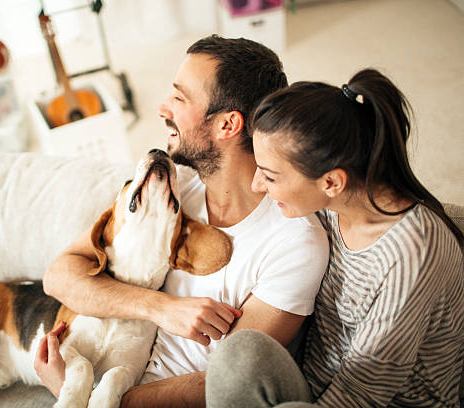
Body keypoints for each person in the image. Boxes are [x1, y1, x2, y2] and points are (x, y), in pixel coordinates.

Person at [34, 35, 330, 407]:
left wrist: (87, 397)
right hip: (106, 368)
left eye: (179, 97)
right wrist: (160, 308)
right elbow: (59, 275)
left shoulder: (295, 242)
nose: (162, 107)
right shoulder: (174, 184)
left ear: (227, 125)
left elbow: (226, 380)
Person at [205, 68, 464, 407]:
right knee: (239, 353)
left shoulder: (412, 253)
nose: (258, 185)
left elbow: (363, 394)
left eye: (269, 176)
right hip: (316, 376)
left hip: (376, 400)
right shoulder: (331, 204)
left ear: (331, 183)